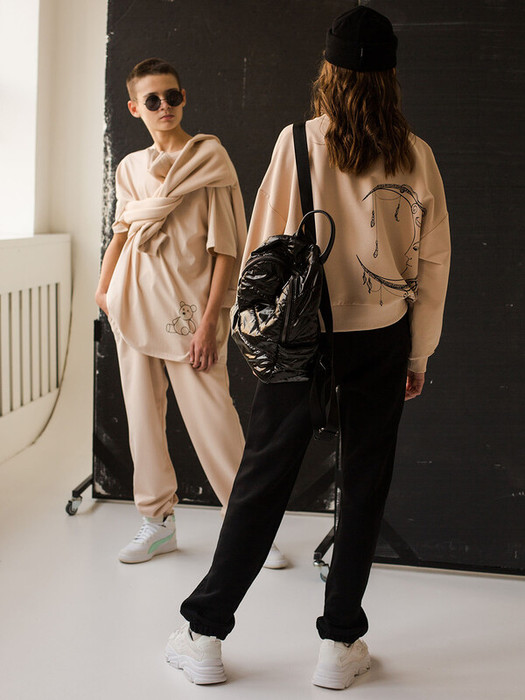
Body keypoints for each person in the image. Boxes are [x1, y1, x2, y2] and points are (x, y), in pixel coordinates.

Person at [166, 6, 451, 690]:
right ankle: (339, 644)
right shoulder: (415, 154)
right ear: (389, 76)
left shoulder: (298, 141)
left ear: (328, 70)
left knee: (262, 481)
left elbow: (265, 249)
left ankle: (205, 635)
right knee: (364, 484)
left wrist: (252, 332)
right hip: (381, 338)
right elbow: (434, 262)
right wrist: (417, 353)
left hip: (300, 338)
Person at [95, 58, 287, 570]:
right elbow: (121, 231)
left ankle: (251, 529)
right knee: (142, 418)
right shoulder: (129, 167)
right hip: (131, 301)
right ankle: (156, 522)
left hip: (188, 313)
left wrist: (208, 323)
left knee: (214, 421)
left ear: (184, 98)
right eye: (152, 100)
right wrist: (103, 289)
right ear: (134, 108)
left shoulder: (210, 160)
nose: (165, 107)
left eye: (172, 96)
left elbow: (227, 248)